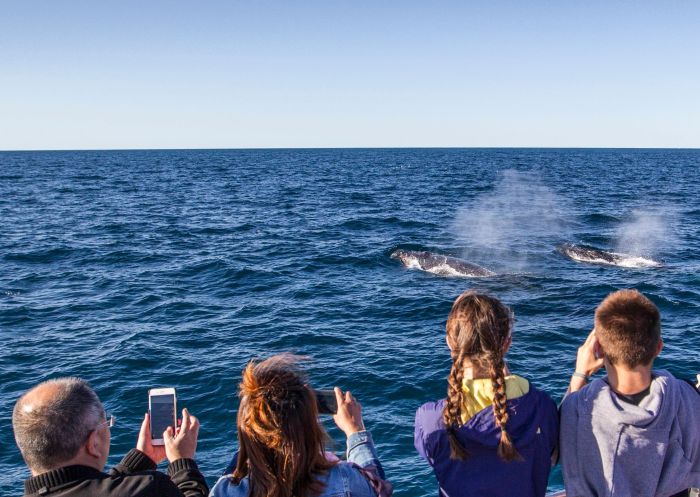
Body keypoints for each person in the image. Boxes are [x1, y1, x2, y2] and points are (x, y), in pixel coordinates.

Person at [414, 291, 559, 497]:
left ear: (449, 343)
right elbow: (552, 455)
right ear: (507, 344)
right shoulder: (542, 407)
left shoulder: (430, 419)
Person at [560, 289, 700, 497]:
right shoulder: (687, 396)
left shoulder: (576, 409)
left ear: (599, 350)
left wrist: (580, 374)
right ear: (658, 347)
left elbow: (557, 443)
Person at [209, 354, 392, 497]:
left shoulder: (226, 490)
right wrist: (355, 432)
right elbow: (378, 488)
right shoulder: (345, 478)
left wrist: (253, 439)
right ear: (308, 427)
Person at [12, 377, 208, 497]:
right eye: (106, 424)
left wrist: (142, 460)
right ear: (93, 443)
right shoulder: (150, 489)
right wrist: (183, 463)